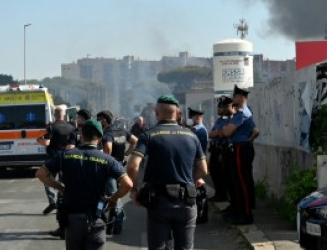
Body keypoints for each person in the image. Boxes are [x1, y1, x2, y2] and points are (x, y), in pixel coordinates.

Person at [36, 119, 133, 250]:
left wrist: (60, 187)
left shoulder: (64, 155)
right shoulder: (108, 160)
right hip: (96, 217)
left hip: (72, 218)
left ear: (81, 136)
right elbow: (128, 184)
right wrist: (113, 199)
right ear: (99, 139)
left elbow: (41, 174)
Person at [127, 94, 208, 250]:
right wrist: (191, 180)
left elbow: (132, 166)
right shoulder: (192, 136)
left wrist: (134, 190)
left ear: (157, 112)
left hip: (158, 201)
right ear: (177, 113)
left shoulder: (148, 135)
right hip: (186, 200)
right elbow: (203, 169)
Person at [220, 85, 257, 225]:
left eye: (235, 96)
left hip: (240, 148)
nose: (233, 99)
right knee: (237, 181)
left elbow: (227, 132)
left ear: (241, 97)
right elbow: (256, 130)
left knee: (242, 182)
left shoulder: (242, 112)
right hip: (241, 147)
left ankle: (246, 214)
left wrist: (245, 141)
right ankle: (239, 211)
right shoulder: (243, 112)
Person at [96, 110, 137, 235]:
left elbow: (108, 147)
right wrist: (126, 153)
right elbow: (135, 141)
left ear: (104, 120)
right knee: (112, 195)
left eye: (99, 120)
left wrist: (104, 160)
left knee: (114, 196)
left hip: (110, 167)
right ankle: (110, 223)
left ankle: (116, 225)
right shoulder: (121, 131)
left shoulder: (108, 133)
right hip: (119, 165)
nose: (98, 122)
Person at [38, 105, 77, 236]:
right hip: (66, 158)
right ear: (64, 115)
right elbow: (72, 146)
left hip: (52, 159)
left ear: (55, 115)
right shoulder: (72, 128)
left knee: (46, 179)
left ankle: (52, 200)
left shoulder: (51, 126)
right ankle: (61, 197)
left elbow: (47, 143)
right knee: (64, 183)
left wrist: (38, 140)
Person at [207, 96, 234, 203]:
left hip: (224, 150)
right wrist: (218, 133)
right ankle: (219, 193)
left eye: (221, 107)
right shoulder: (219, 120)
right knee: (214, 171)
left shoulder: (232, 120)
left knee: (224, 174)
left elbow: (225, 134)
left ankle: (225, 195)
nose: (218, 109)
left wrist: (219, 133)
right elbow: (211, 134)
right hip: (215, 149)